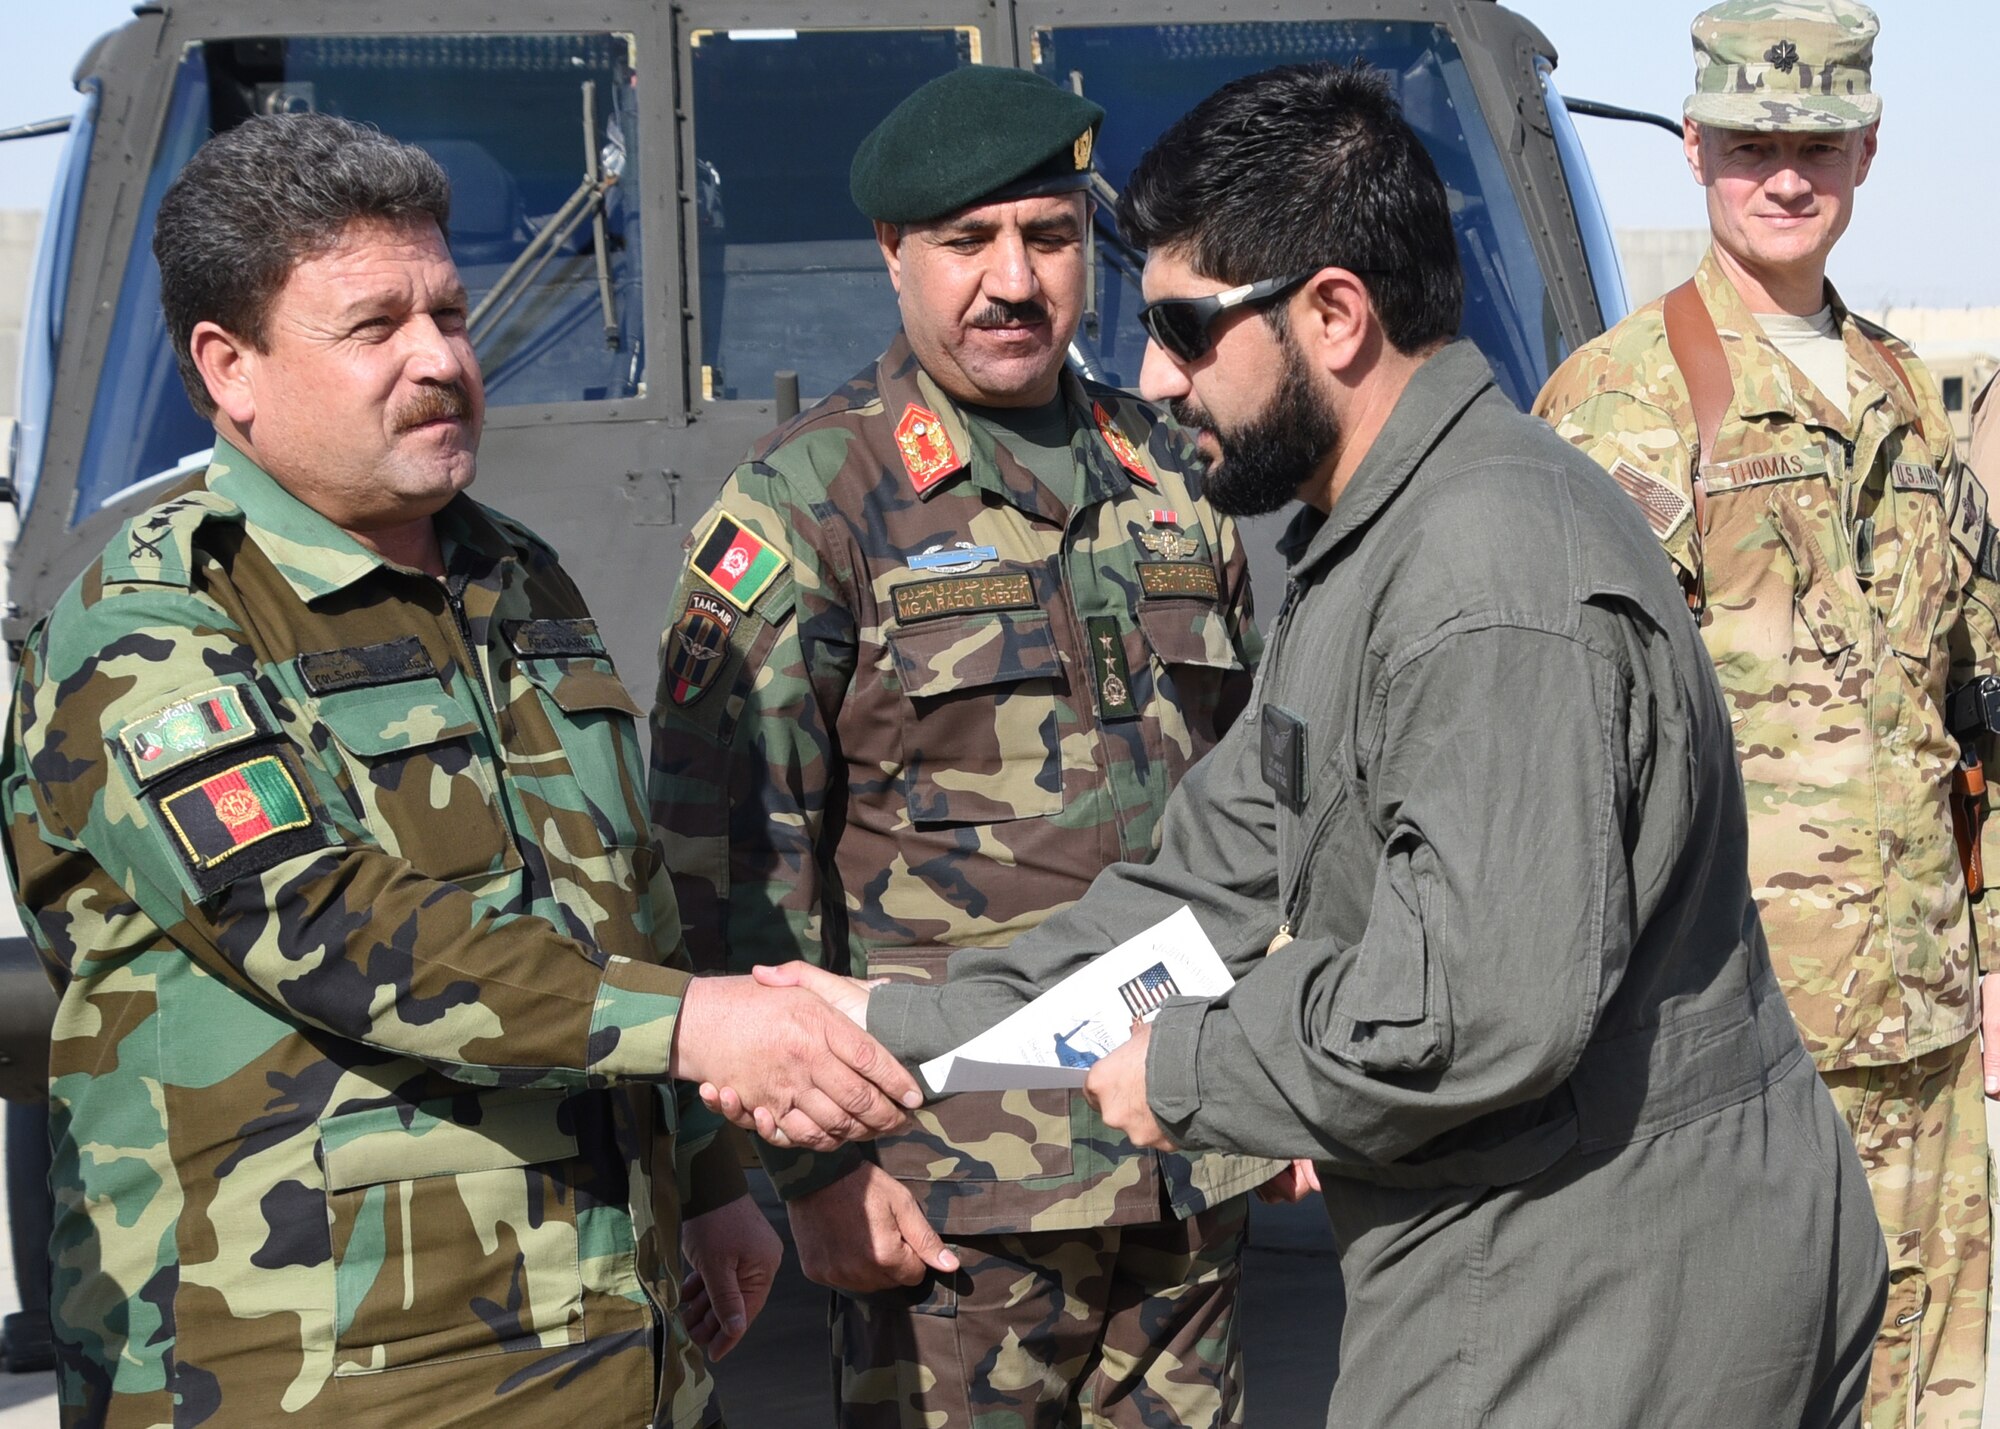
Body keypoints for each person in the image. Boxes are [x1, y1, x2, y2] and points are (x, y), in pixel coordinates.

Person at [730, 61, 1891, 1425]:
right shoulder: (1376, 544)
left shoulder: (1487, 574)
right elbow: (1203, 884)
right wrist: (902, 1021)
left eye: (1181, 326)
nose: (1153, 373)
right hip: (1507, 1244)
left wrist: (1192, 1067)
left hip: (1609, 1277)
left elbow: (1473, 1006)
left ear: (1333, 314)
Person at [0, 113, 923, 1428]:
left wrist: (712, 1173)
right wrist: (707, 1026)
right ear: (230, 366)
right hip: (333, 1377)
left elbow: (623, 888)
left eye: (449, 310)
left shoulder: (513, 572)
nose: (441, 359)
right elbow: (324, 920)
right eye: (376, 327)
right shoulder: (155, 625)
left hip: (616, 1341)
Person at [649, 64, 1277, 1429]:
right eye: (967, 242)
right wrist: (810, 1174)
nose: (1013, 280)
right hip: (947, 1194)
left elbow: (1260, 806)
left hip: (1183, 1149)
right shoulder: (810, 504)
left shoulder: (1175, 478)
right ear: (892, 257)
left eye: (1048, 238)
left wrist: (1275, 1067)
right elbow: (722, 876)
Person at [1535, 4, 1999, 1420]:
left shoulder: (1915, 405)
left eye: (1812, 145)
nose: (1783, 176)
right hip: (1731, 1047)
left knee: (1928, 1398)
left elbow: (1974, 721)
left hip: (1924, 1045)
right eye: (1750, 144)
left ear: (1866, 147)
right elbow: (1568, 752)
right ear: (1693, 149)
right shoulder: (1618, 402)